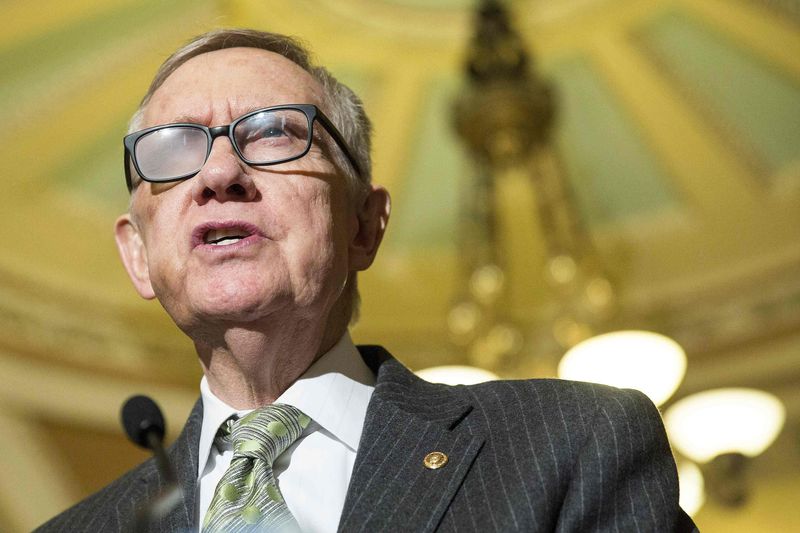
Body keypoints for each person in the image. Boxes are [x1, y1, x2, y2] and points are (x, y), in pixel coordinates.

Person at [37, 28, 696, 532]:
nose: (219, 174)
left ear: (364, 225)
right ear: (138, 255)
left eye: (271, 135)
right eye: (175, 147)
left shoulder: (577, 443)